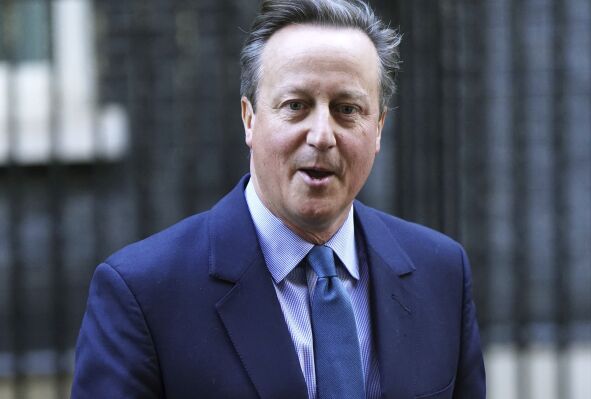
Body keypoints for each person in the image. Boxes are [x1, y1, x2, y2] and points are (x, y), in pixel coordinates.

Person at [71, 0, 486, 398]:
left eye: (346, 109)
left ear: (377, 128)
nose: (322, 135)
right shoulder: (142, 294)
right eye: (296, 105)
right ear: (249, 119)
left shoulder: (442, 273)